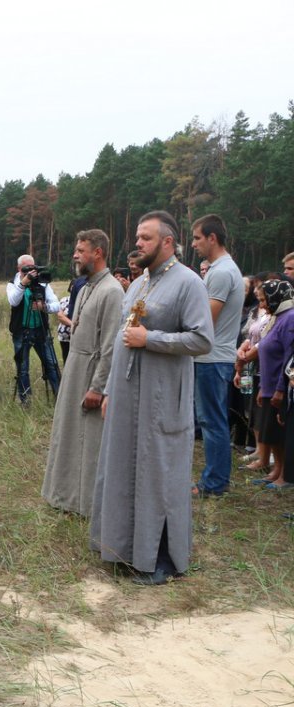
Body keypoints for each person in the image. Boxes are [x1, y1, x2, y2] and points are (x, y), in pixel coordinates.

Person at [90, 210, 213, 585]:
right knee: (124, 467)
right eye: (137, 237)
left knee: (157, 474)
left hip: (161, 399)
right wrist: (109, 390)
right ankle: (125, 548)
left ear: (168, 242)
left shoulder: (188, 283)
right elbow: (123, 336)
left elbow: (202, 340)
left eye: (146, 237)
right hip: (127, 396)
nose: (138, 243)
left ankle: (161, 560)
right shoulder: (139, 283)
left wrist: (151, 339)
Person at [42, 230, 123, 516]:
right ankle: (64, 495)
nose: (75, 255)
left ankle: (87, 503)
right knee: (68, 433)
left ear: (97, 252)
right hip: (76, 369)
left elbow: (110, 346)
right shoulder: (86, 287)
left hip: (91, 374)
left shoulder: (112, 291)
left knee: (89, 441)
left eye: (80, 250)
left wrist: (98, 387)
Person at [190, 214, 245, 497]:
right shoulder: (221, 269)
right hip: (212, 357)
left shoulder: (222, 272)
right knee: (211, 420)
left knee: (212, 421)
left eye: (197, 238)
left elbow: (205, 319)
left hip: (212, 358)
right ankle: (215, 479)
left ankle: (214, 483)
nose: (193, 243)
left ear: (212, 238)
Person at [241, 279, 294, 489]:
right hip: (268, 383)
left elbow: (288, 358)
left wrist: (280, 389)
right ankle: (276, 471)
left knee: (278, 433)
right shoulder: (277, 317)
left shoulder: (290, 318)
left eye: (264, 300)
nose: (262, 305)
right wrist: (264, 386)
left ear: (277, 298)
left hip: (279, 386)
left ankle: (283, 475)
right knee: (270, 433)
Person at [7, 255, 61, 403]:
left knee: (51, 364)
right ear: (19, 269)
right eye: (27, 268)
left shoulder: (42, 283)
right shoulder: (13, 284)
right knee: (22, 368)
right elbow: (13, 301)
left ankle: (60, 397)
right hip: (21, 330)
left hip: (40, 330)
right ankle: (26, 400)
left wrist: (44, 307)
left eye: (33, 267)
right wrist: (23, 284)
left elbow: (57, 305)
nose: (31, 271)